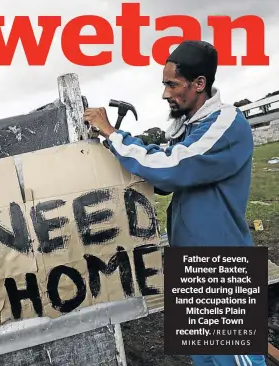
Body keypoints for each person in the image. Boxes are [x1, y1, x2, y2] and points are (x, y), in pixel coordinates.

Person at [83, 40, 267, 366]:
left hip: (220, 265)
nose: (165, 93)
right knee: (207, 360)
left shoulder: (226, 123)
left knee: (237, 361)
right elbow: (164, 181)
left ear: (200, 84)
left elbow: (173, 167)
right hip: (191, 262)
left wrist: (113, 134)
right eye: (164, 84)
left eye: (172, 84)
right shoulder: (189, 127)